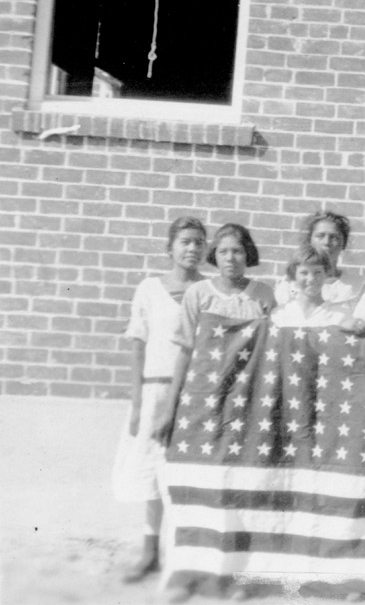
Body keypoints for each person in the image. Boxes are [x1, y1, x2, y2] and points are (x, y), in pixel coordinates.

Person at [114, 215, 206, 583]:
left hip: (194, 394)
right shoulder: (150, 289)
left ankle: (184, 556)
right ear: (170, 247)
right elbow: (138, 345)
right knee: (151, 473)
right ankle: (150, 550)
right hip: (155, 390)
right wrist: (138, 405)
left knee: (186, 477)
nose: (192, 248)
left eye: (199, 242)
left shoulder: (209, 290)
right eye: (185, 241)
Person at [154, 224, 276, 442]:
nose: (230, 258)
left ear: (248, 254)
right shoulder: (198, 294)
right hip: (205, 393)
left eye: (237, 251)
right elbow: (185, 351)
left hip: (247, 395)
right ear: (215, 256)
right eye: (223, 251)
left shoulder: (264, 295)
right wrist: (169, 410)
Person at [272, 210, 360, 311]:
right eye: (320, 236)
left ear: (343, 243)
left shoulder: (355, 287)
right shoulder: (290, 286)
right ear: (309, 240)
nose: (326, 242)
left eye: (334, 237)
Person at [270, 246, 358, 331]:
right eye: (304, 273)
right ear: (294, 274)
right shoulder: (279, 314)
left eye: (318, 272)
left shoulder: (339, 316)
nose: (311, 279)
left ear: (326, 273)